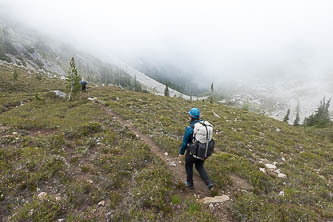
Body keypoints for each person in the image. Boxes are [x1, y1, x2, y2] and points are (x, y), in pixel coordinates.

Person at [179, 108, 214, 190]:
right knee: (199, 166)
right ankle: (209, 183)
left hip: (192, 152)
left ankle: (190, 183)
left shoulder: (190, 127)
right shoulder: (204, 125)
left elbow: (184, 143)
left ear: (191, 117)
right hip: (203, 151)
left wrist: (181, 153)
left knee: (189, 165)